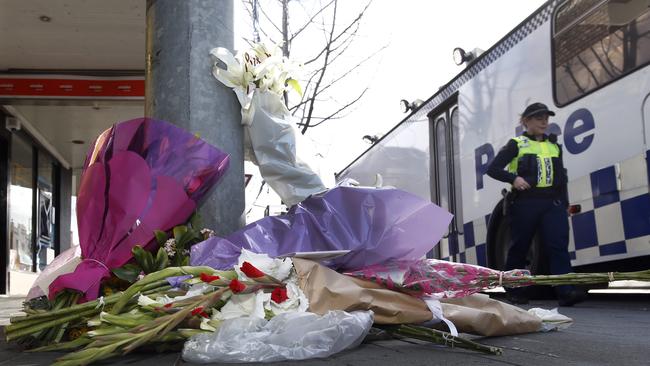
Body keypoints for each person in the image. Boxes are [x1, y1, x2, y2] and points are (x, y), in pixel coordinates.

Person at [487, 102, 586, 306]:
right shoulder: (517, 144)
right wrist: (513, 179)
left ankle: (566, 291)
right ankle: (515, 291)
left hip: (552, 204)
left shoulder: (554, 145)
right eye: (538, 118)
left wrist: (564, 204)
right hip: (525, 203)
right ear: (526, 121)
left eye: (546, 118)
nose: (544, 122)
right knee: (519, 248)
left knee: (558, 247)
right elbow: (493, 169)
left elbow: (562, 177)